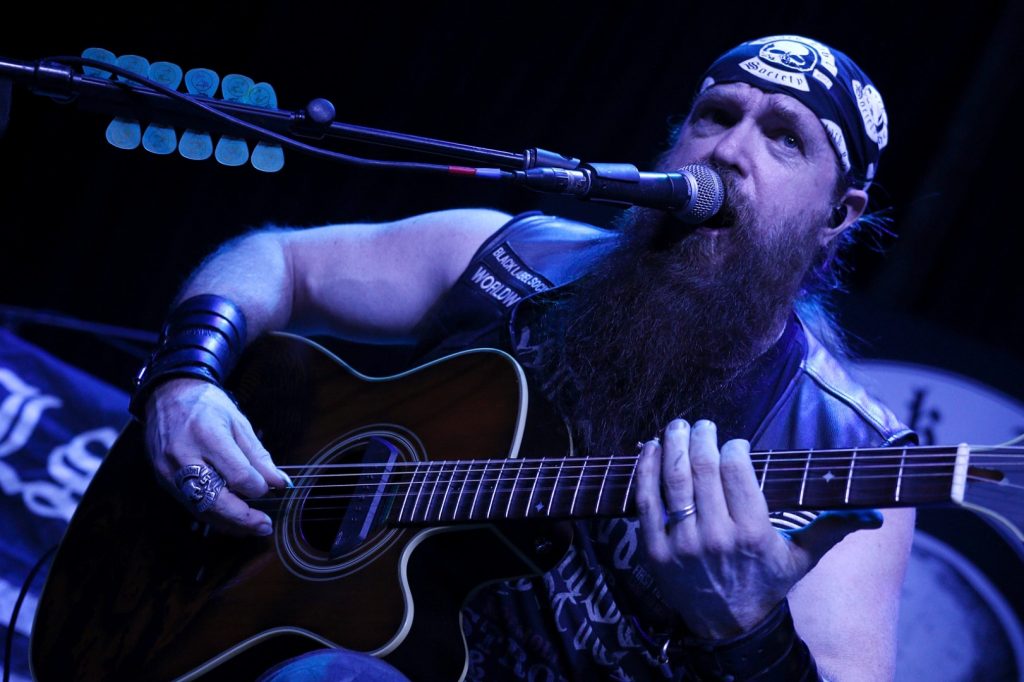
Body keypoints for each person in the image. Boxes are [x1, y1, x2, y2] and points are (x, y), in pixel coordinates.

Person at [132, 34, 914, 681]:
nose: (730, 150)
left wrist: (745, 629)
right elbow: (277, 260)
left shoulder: (850, 450)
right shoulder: (515, 253)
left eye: (784, 138)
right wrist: (184, 378)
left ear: (837, 216)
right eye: (716, 115)